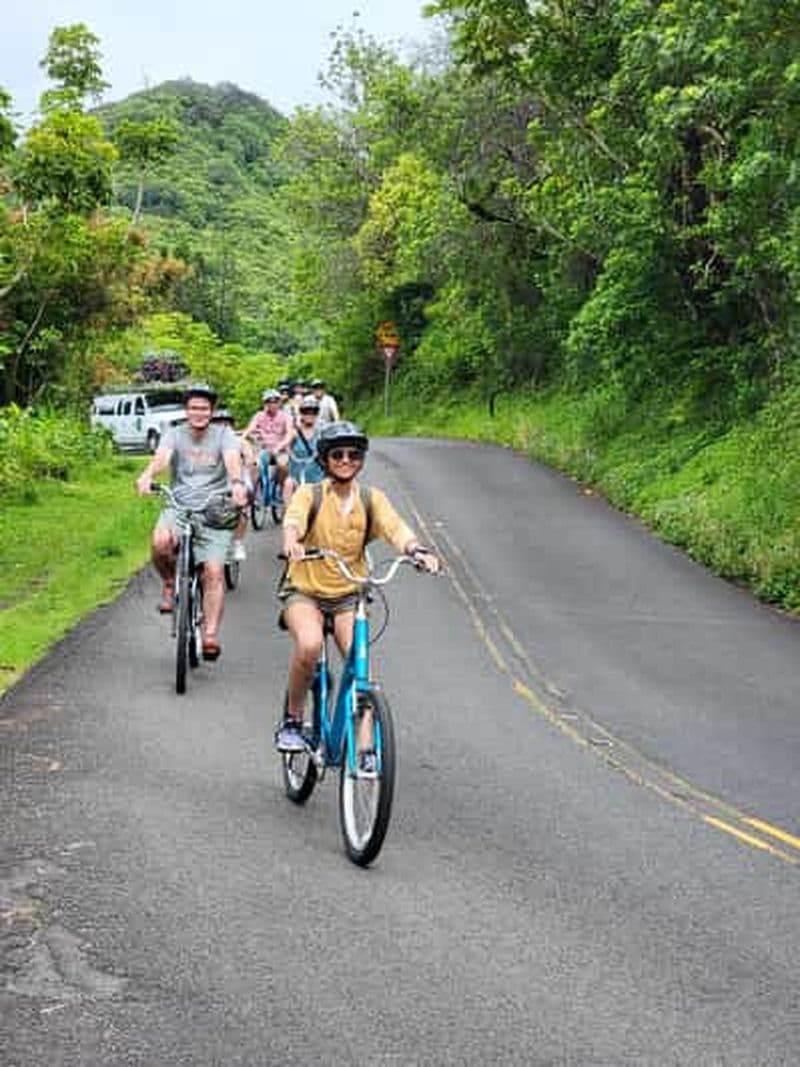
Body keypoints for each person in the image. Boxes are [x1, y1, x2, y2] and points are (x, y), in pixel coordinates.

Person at [276, 420, 439, 755]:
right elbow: (293, 520)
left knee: (360, 662)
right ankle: (292, 720)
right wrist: (292, 542)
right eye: (338, 454)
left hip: (349, 595)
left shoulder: (371, 498)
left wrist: (417, 551)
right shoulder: (310, 494)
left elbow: (395, 527)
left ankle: (365, 752)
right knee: (309, 645)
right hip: (305, 591)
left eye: (353, 454)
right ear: (325, 459)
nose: (346, 460)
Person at [135, 382, 248, 661]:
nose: (199, 413)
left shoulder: (224, 435)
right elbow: (162, 458)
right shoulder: (174, 434)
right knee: (160, 542)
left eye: (204, 408)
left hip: (215, 508)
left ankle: (210, 634)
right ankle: (169, 582)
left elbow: (232, 459)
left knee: (213, 571)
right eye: (194, 408)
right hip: (179, 505)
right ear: (186, 410)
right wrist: (148, 474)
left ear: (212, 411)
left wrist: (236, 483)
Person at [243, 389, 294, 500]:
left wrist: (279, 446)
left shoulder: (286, 416)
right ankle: (251, 497)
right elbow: (250, 429)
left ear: (279, 403)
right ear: (265, 403)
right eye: (269, 402)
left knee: (282, 465)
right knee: (253, 466)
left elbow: (289, 434)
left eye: (275, 401)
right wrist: (242, 439)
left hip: (280, 450)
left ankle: (282, 490)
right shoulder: (259, 416)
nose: (272, 404)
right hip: (263, 449)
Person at [283, 394, 324, 503]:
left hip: (317, 476)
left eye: (313, 412)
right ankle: (288, 511)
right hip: (296, 474)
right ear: (301, 414)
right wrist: (284, 450)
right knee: (288, 484)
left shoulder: (321, 433)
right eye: (306, 412)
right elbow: (286, 442)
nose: (309, 415)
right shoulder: (295, 432)